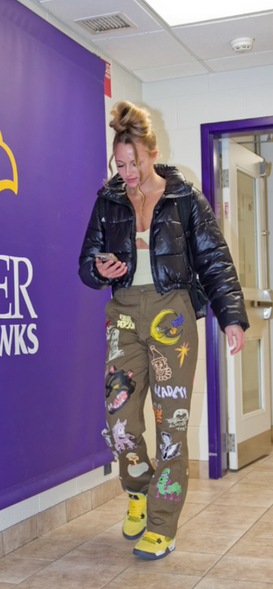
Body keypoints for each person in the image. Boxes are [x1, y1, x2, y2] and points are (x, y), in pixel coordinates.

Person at [78, 101, 249, 560]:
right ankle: (137, 489)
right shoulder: (108, 200)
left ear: (153, 154)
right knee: (119, 419)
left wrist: (231, 316)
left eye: (134, 163)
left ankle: (162, 524)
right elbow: (86, 265)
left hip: (172, 314)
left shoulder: (184, 198)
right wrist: (100, 269)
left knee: (170, 424)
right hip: (123, 315)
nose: (127, 173)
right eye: (120, 164)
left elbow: (214, 259)